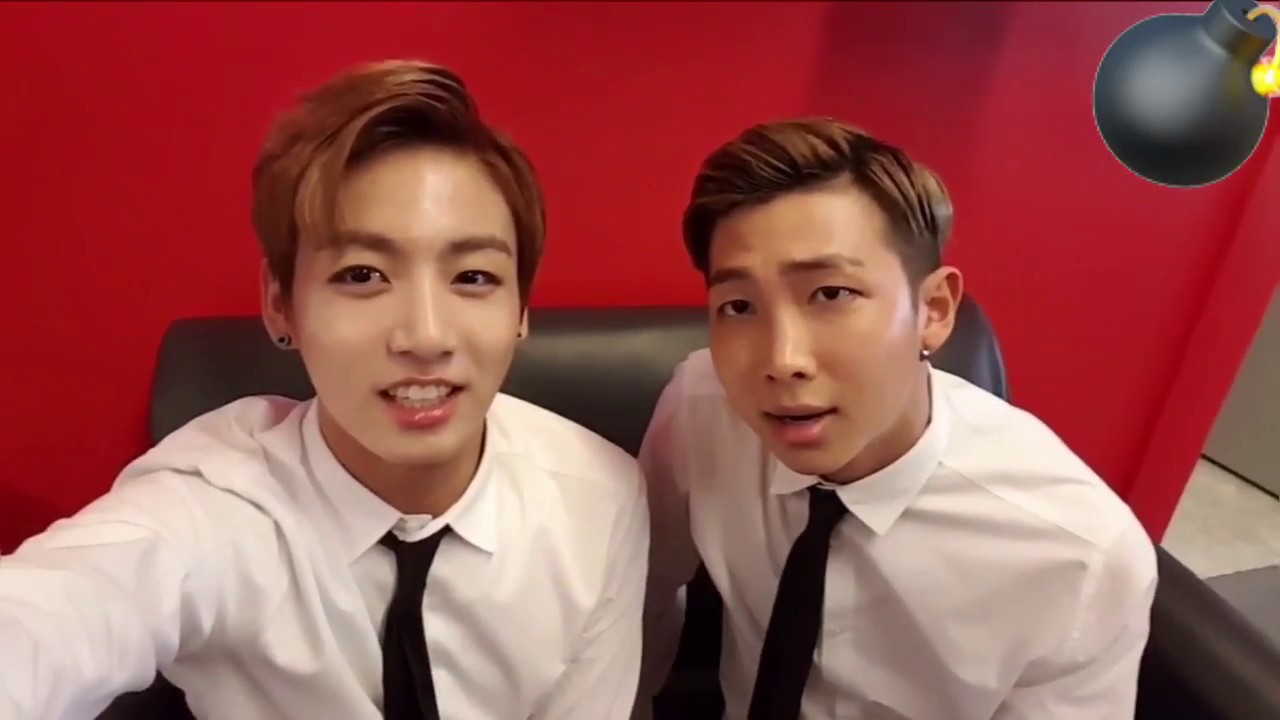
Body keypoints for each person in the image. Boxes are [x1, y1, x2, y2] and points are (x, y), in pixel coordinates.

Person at [0, 59, 649, 720]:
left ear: (521, 309)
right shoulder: (215, 503)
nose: (426, 335)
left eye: (474, 277)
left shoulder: (598, 500)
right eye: (363, 275)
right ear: (280, 302)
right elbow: (57, 610)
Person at [637, 118, 1159, 720]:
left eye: (831, 294)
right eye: (738, 306)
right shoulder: (703, 408)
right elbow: (641, 589)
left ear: (932, 310)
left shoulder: (1078, 554)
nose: (782, 361)